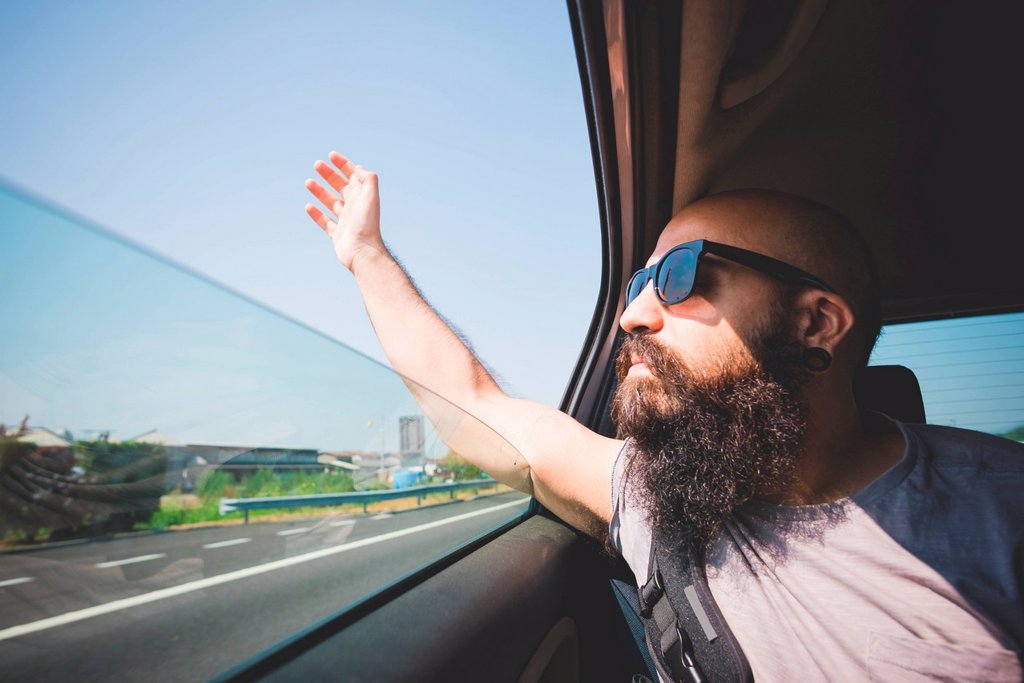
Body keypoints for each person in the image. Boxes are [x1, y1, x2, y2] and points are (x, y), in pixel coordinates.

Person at [304, 152, 1023, 680]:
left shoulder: (1000, 503)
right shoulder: (651, 494)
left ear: (816, 323)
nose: (632, 314)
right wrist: (367, 257)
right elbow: (478, 405)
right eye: (640, 280)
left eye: (681, 275)